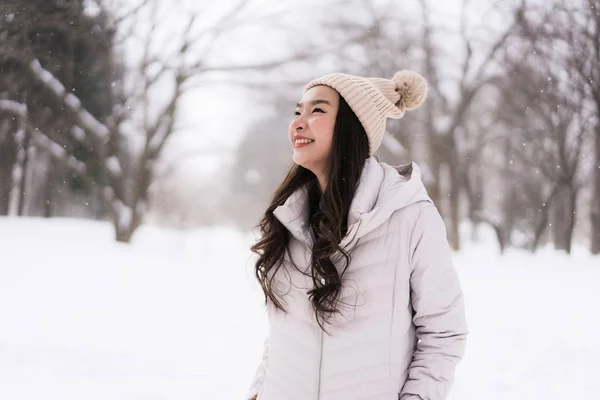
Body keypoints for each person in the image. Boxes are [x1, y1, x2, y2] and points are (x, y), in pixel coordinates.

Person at [245, 70, 468, 400]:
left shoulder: (410, 216)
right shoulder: (289, 220)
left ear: (353, 126)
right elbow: (281, 338)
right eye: (297, 112)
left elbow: (443, 334)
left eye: (317, 110)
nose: (298, 123)